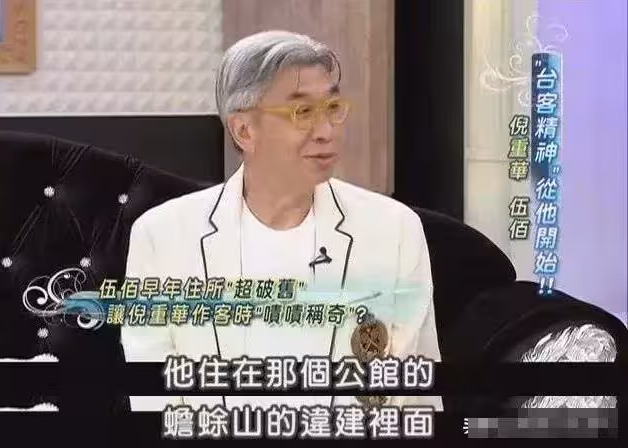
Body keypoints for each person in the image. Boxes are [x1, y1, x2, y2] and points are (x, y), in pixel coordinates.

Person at [121, 30, 442, 412]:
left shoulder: (394, 230)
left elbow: (415, 392)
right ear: (244, 130)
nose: (326, 131)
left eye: (332, 107)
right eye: (302, 112)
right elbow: (155, 399)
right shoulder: (162, 237)